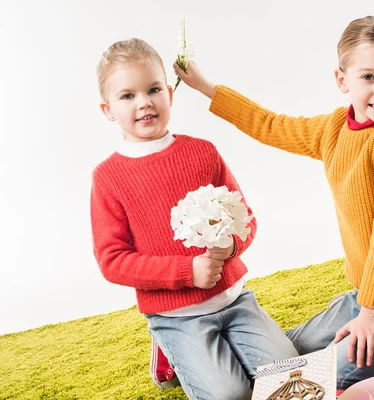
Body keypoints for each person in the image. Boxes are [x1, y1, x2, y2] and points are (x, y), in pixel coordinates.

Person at [174, 16, 374, 390]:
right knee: (276, 358)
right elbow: (271, 125)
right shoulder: (333, 129)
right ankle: (190, 354)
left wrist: (372, 313)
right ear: (341, 80)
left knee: (315, 378)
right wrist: (206, 88)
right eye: (368, 77)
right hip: (371, 295)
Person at [90, 37, 298, 400]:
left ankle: (227, 350)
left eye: (154, 89)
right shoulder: (108, 176)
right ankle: (170, 351)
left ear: (169, 93)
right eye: (128, 96)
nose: (144, 102)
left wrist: (232, 244)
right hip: (176, 318)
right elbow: (112, 261)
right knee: (230, 394)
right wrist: (186, 272)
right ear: (108, 110)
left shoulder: (202, 152)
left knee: (289, 376)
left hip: (235, 300)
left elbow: (245, 217)